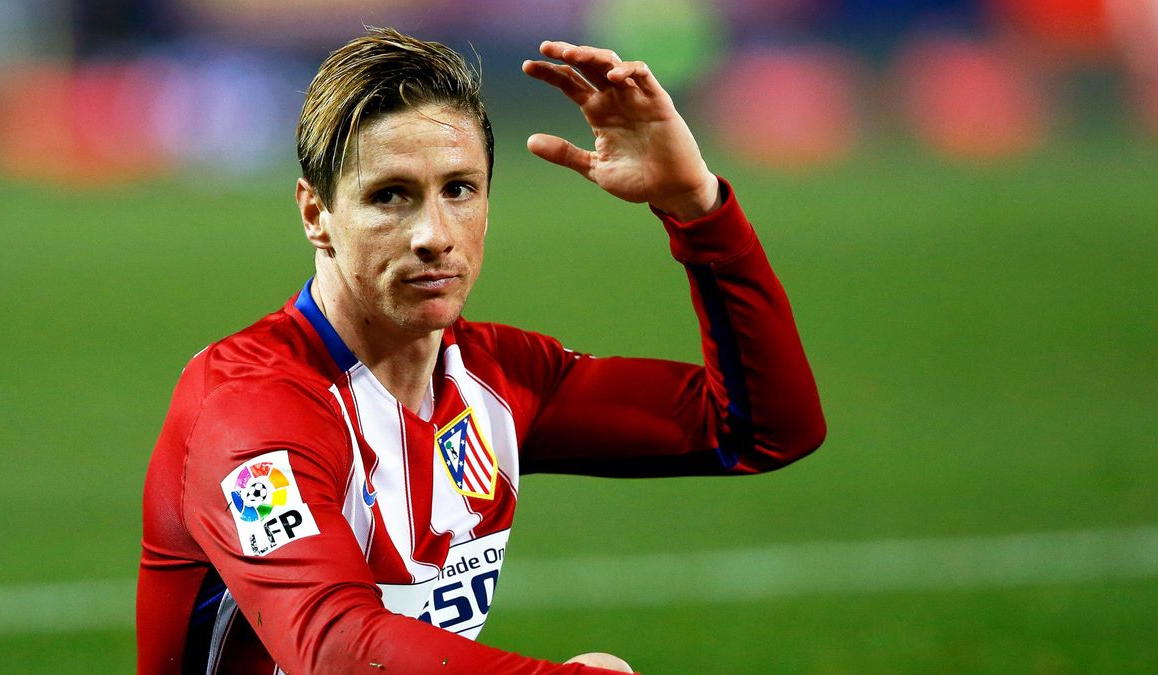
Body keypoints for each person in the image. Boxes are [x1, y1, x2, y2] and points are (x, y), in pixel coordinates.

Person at [137, 27, 825, 674]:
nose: (434, 235)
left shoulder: (499, 377)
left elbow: (764, 429)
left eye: (458, 189)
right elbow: (335, 646)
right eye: (390, 196)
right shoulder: (248, 408)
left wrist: (696, 207)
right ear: (316, 213)